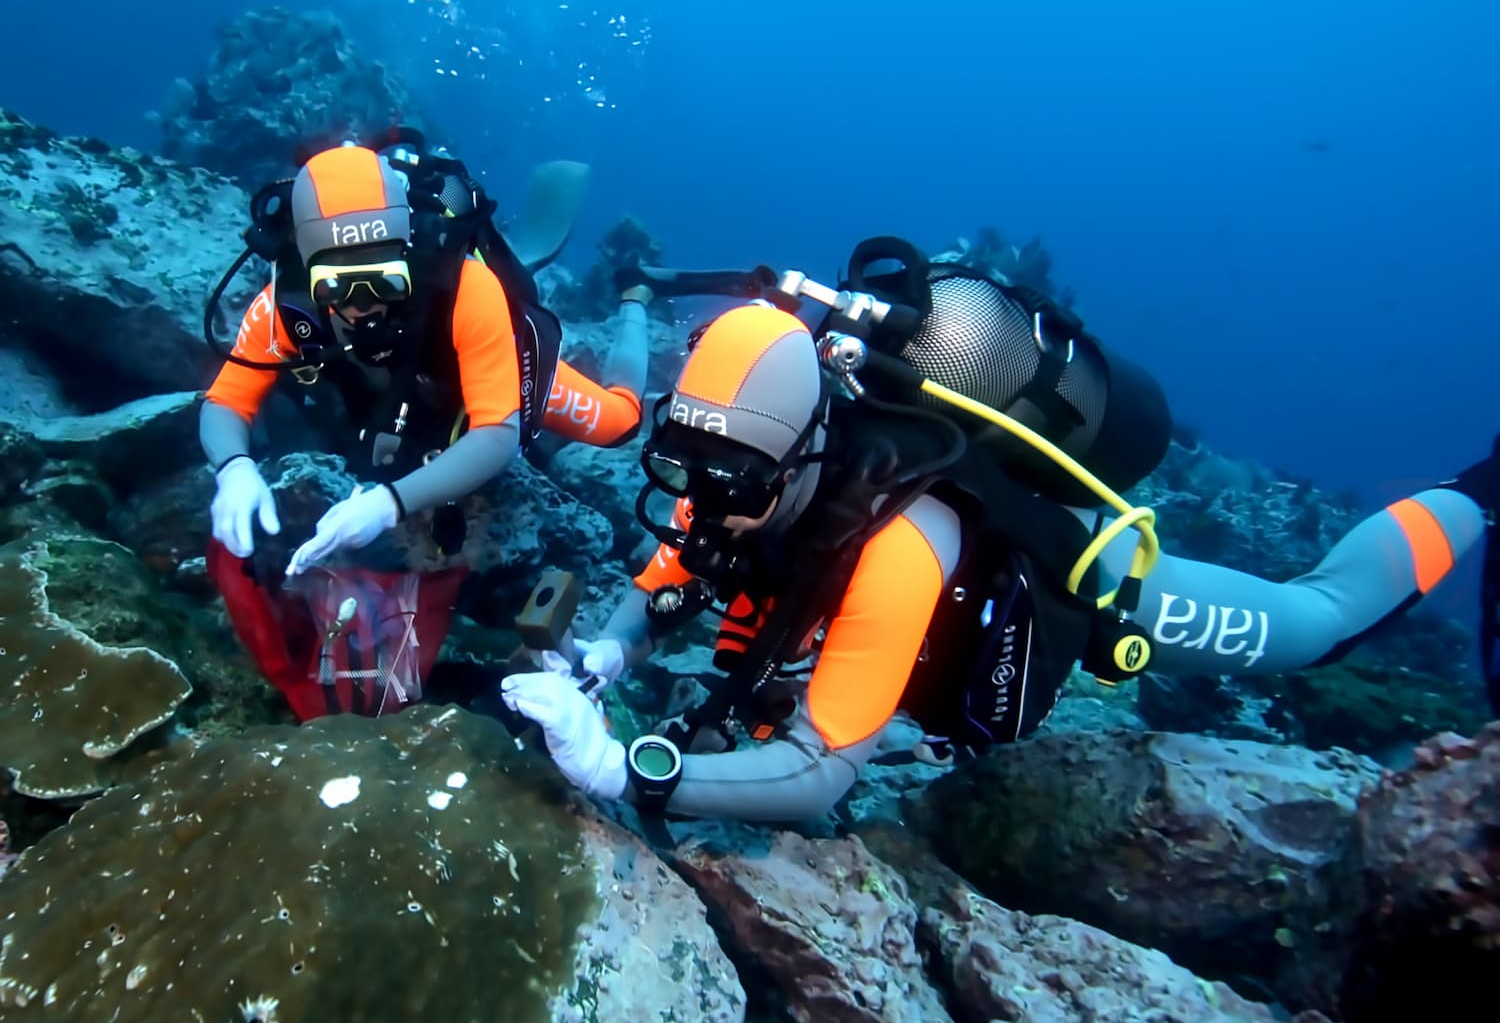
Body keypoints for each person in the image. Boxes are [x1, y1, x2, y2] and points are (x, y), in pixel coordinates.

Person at [497, 240, 1492, 825]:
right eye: (687, 465)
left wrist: (628, 770)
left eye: (733, 478)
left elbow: (820, 767)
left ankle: (1475, 491)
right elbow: (679, 565)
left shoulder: (900, 537)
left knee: (1313, 620)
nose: (707, 499)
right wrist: (610, 649)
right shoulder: (734, 465)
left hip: (1066, 589)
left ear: (804, 451)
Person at [199, 139, 650, 574]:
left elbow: (497, 435)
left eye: (384, 281)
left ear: (407, 258)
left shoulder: (466, 287)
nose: (363, 304)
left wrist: (387, 504)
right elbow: (226, 400)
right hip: (392, 393)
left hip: (474, 368)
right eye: (336, 286)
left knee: (619, 423)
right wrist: (234, 469)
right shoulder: (286, 302)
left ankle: (637, 294)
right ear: (307, 267)